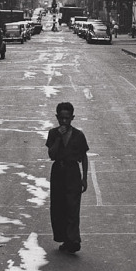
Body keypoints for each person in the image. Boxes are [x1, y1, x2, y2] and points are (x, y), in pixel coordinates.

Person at [46, 102, 89, 253]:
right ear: (57, 118)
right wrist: (58, 138)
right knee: (58, 207)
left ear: (72, 118)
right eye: (62, 118)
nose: (64, 121)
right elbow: (51, 154)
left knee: (72, 206)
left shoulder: (78, 135)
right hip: (58, 171)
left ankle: (74, 239)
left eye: (67, 118)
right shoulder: (53, 133)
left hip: (72, 173)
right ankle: (65, 239)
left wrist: (84, 178)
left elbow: (83, 156)